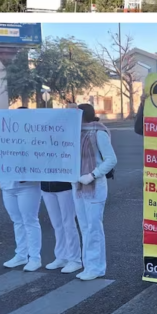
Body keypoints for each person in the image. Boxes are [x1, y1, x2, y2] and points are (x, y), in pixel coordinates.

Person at [0, 110, 42, 272]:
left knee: (30, 220)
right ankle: (21, 254)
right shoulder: (6, 135)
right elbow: (0, 156)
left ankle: (35, 258)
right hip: (8, 185)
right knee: (17, 221)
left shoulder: (36, 137)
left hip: (28, 186)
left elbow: (43, 159)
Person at [71, 104, 117, 280]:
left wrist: (92, 175)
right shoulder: (75, 134)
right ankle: (88, 265)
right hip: (78, 185)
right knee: (84, 226)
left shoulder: (98, 133)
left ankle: (97, 267)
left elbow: (111, 159)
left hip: (95, 186)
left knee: (94, 227)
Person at [40, 173, 82, 274]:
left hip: (65, 186)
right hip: (46, 186)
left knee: (69, 223)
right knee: (57, 225)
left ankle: (75, 259)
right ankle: (61, 256)